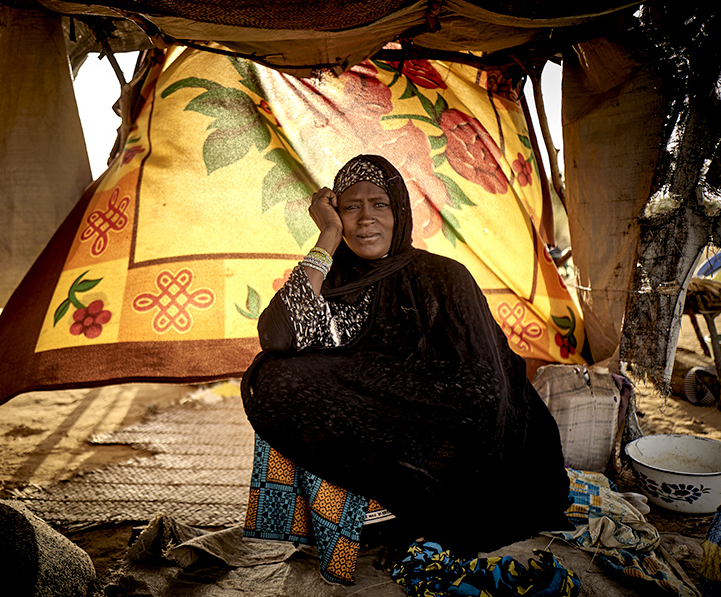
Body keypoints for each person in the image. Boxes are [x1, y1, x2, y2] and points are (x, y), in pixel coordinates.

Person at [241, 154, 571, 584]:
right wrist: (326, 238)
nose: (365, 220)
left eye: (379, 204)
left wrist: (404, 397)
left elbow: (486, 387)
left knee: (475, 403)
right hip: (376, 421)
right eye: (350, 207)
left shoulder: (444, 276)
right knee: (273, 378)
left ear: (400, 211)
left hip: (450, 427)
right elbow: (278, 337)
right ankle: (372, 514)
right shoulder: (331, 279)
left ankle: (431, 517)